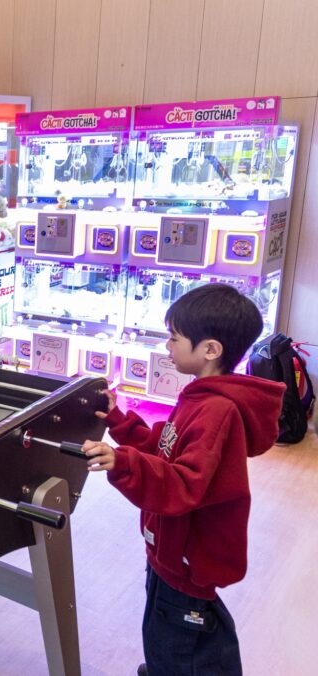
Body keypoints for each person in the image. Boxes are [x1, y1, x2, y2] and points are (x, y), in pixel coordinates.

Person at [81, 284, 284, 676]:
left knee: (180, 640)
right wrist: (120, 421)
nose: (167, 346)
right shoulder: (201, 396)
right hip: (170, 552)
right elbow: (166, 447)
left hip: (186, 558)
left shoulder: (216, 410)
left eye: (174, 338)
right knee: (176, 636)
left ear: (210, 349)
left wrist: (123, 464)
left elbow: (185, 483)